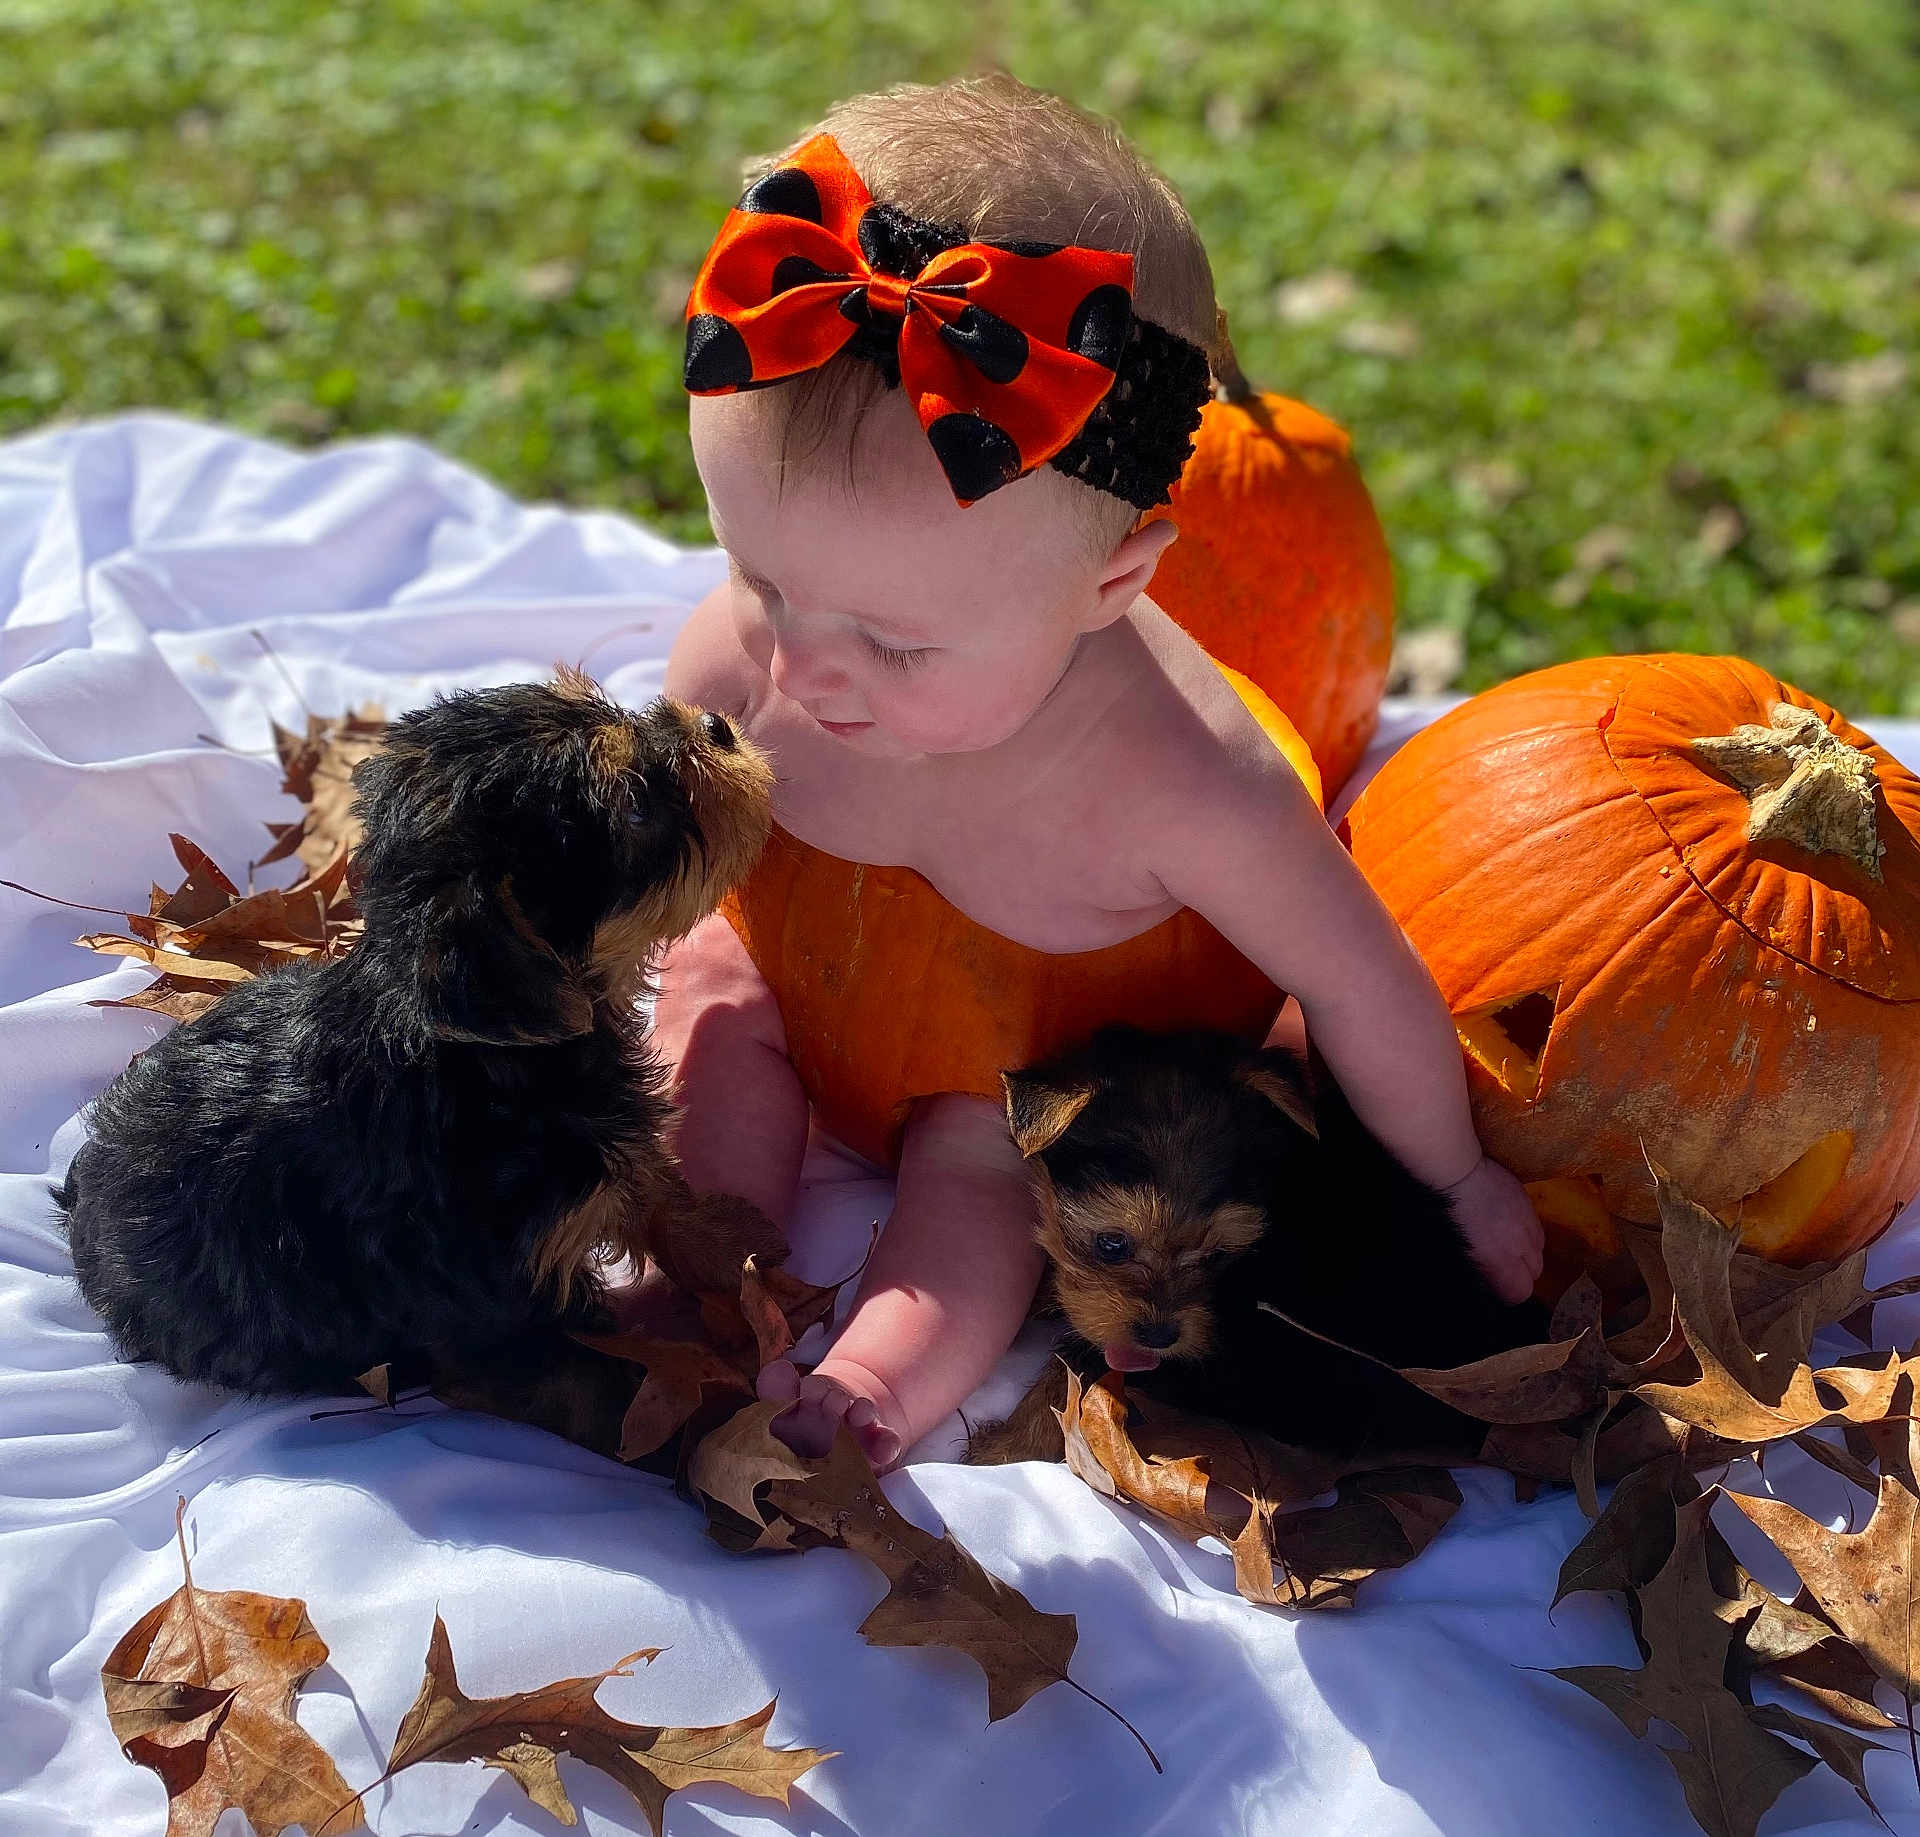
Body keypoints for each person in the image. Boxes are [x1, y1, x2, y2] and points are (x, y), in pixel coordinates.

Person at [653, 72, 1544, 1470]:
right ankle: (696, 1284)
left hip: (1010, 1065)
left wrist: (1460, 1177)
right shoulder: (762, 658)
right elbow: (680, 830)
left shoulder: (1189, 782)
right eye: (761, 577)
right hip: (796, 971)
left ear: (1113, 581)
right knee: (710, 1001)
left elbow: (1363, 987)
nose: (806, 670)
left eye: (892, 641)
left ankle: (875, 1386)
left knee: (971, 1167)